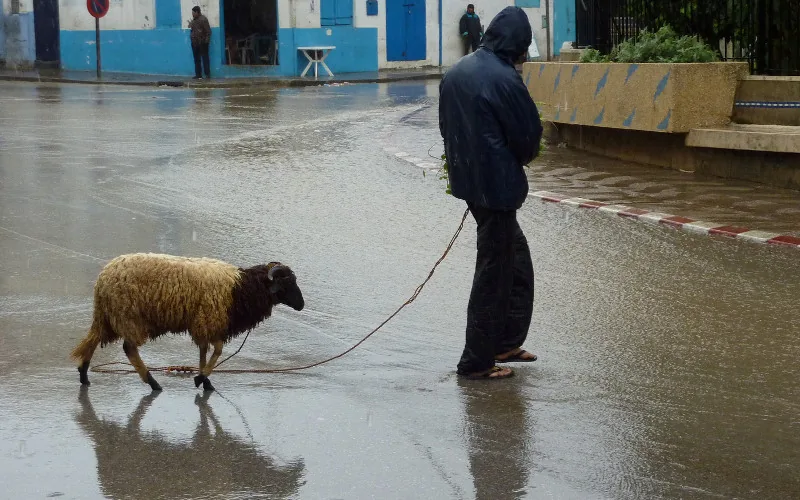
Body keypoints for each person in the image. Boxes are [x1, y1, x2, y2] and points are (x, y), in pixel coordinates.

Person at [439, 6, 543, 380]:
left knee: (516, 261)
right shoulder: (505, 80)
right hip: (497, 191)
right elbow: (528, 139)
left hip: (472, 185)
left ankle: (505, 341)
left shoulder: (456, 71)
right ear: (517, 43)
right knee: (494, 276)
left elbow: (444, 127)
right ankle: (477, 361)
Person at [188, 6, 212, 79]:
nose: (192, 14)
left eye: (193, 13)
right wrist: (190, 24)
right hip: (195, 43)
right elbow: (191, 28)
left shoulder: (203, 19)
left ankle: (207, 75)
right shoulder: (194, 20)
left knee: (205, 59)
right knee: (196, 59)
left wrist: (206, 42)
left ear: (197, 12)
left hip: (202, 42)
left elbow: (209, 32)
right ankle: (198, 74)